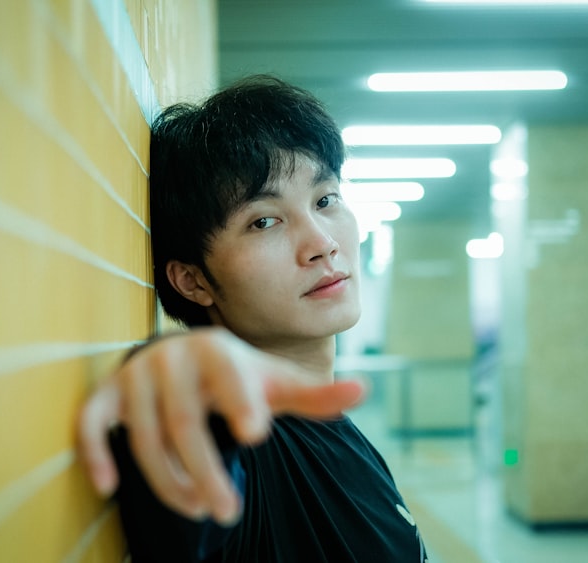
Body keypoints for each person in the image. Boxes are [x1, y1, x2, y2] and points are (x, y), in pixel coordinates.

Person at [78, 75, 428, 562]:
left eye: (325, 200)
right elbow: (191, 436)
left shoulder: (337, 429)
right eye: (264, 221)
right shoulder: (245, 447)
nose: (322, 243)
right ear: (193, 280)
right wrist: (181, 365)